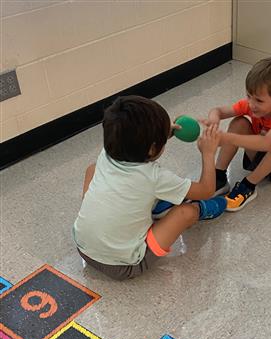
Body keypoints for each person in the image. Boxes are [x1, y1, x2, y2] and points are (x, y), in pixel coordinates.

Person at [73, 95, 226, 280]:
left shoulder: (106, 154)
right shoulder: (155, 177)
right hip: (126, 266)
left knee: (92, 169)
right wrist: (208, 153)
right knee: (186, 212)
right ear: (152, 149)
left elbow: (130, 139)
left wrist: (159, 134)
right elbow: (206, 190)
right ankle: (201, 211)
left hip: (83, 248)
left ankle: (112, 214)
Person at [204, 56, 271, 211]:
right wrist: (213, 119)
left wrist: (227, 138)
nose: (251, 105)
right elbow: (218, 111)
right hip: (263, 155)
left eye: (259, 101)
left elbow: (269, 143)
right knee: (239, 122)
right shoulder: (253, 104)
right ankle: (219, 176)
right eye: (248, 96)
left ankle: (249, 185)